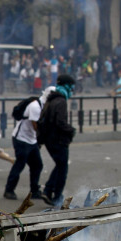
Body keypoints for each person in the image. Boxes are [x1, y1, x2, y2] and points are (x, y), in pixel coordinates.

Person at [3, 89, 51, 201]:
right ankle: (9, 190)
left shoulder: (45, 105)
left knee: (37, 165)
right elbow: (35, 126)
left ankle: (34, 191)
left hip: (31, 140)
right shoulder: (35, 106)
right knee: (20, 164)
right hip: (21, 139)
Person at [38, 74, 76, 207]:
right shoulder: (61, 101)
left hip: (50, 139)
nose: (72, 90)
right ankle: (57, 196)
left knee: (60, 165)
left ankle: (48, 191)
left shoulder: (52, 99)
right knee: (63, 168)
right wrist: (71, 130)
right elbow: (60, 122)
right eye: (71, 87)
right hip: (58, 140)